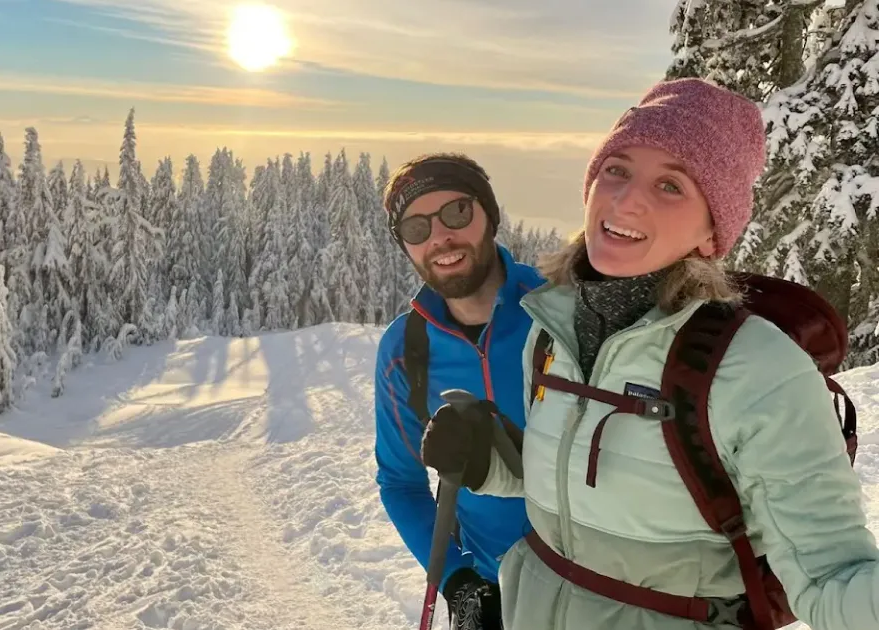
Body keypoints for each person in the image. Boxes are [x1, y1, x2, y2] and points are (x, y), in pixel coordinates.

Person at [420, 77, 879, 630]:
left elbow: (832, 576)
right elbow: (582, 483)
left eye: (671, 186)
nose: (628, 198)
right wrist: (490, 462)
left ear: (712, 233)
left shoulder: (757, 367)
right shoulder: (552, 324)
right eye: (617, 169)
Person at [373, 152, 546, 629]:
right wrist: (456, 578)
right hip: (492, 589)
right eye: (416, 228)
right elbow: (400, 482)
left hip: (596, 582)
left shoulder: (561, 311)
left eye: (456, 213)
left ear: (488, 214)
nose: (440, 238)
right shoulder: (406, 349)